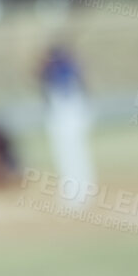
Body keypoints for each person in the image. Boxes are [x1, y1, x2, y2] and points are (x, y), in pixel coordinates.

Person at [37, 42, 95, 210]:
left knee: (70, 152)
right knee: (72, 152)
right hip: (68, 110)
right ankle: (77, 189)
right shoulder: (67, 68)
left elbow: (44, 84)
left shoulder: (57, 69)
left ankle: (78, 191)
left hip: (66, 111)